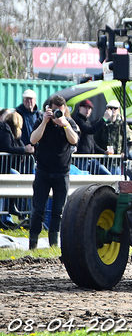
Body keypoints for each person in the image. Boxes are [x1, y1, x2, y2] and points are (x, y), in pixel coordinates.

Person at [29, 94, 79, 249]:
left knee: (58, 211)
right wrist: (45, 121)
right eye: (55, 110)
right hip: (43, 172)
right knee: (38, 210)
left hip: (62, 173)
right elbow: (33, 139)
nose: (58, 114)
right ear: (49, 109)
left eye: (60, 111)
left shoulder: (69, 123)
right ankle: (33, 243)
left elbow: (74, 140)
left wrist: (64, 124)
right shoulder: (42, 121)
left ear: (64, 110)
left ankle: (54, 244)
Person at [0, 112, 35, 228]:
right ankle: (5, 213)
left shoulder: (12, 131)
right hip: (2, 167)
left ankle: (11, 206)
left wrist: (26, 148)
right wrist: (23, 150)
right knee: (4, 189)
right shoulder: (5, 129)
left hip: (5, 167)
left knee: (15, 177)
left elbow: (18, 143)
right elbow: (7, 147)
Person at [72, 99, 111, 175]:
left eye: (89, 108)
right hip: (81, 159)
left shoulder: (87, 121)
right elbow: (90, 130)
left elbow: (92, 143)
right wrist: (104, 119)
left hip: (90, 159)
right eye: (85, 107)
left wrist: (104, 152)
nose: (87, 110)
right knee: (83, 181)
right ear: (80, 108)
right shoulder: (78, 120)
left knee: (108, 175)